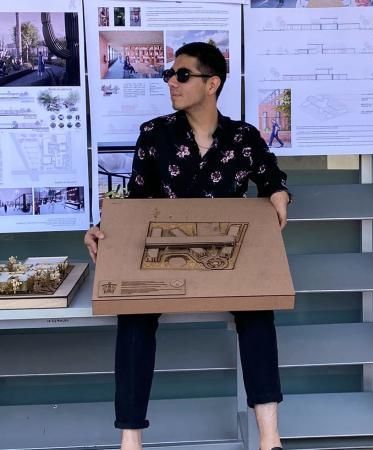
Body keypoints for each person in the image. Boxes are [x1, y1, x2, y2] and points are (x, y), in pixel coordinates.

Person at [84, 42, 290, 450]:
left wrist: (278, 192)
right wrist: (104, 229)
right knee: (134, 315)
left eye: (182, 75)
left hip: (226, 258)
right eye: (169, 75)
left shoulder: (244, 137)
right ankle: (130, 439)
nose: (171, 83)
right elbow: (137, 199)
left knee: (258, 310)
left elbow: (271, 175)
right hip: (163, 255)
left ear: (212, 84)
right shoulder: (154, 134)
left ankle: (270, 438)